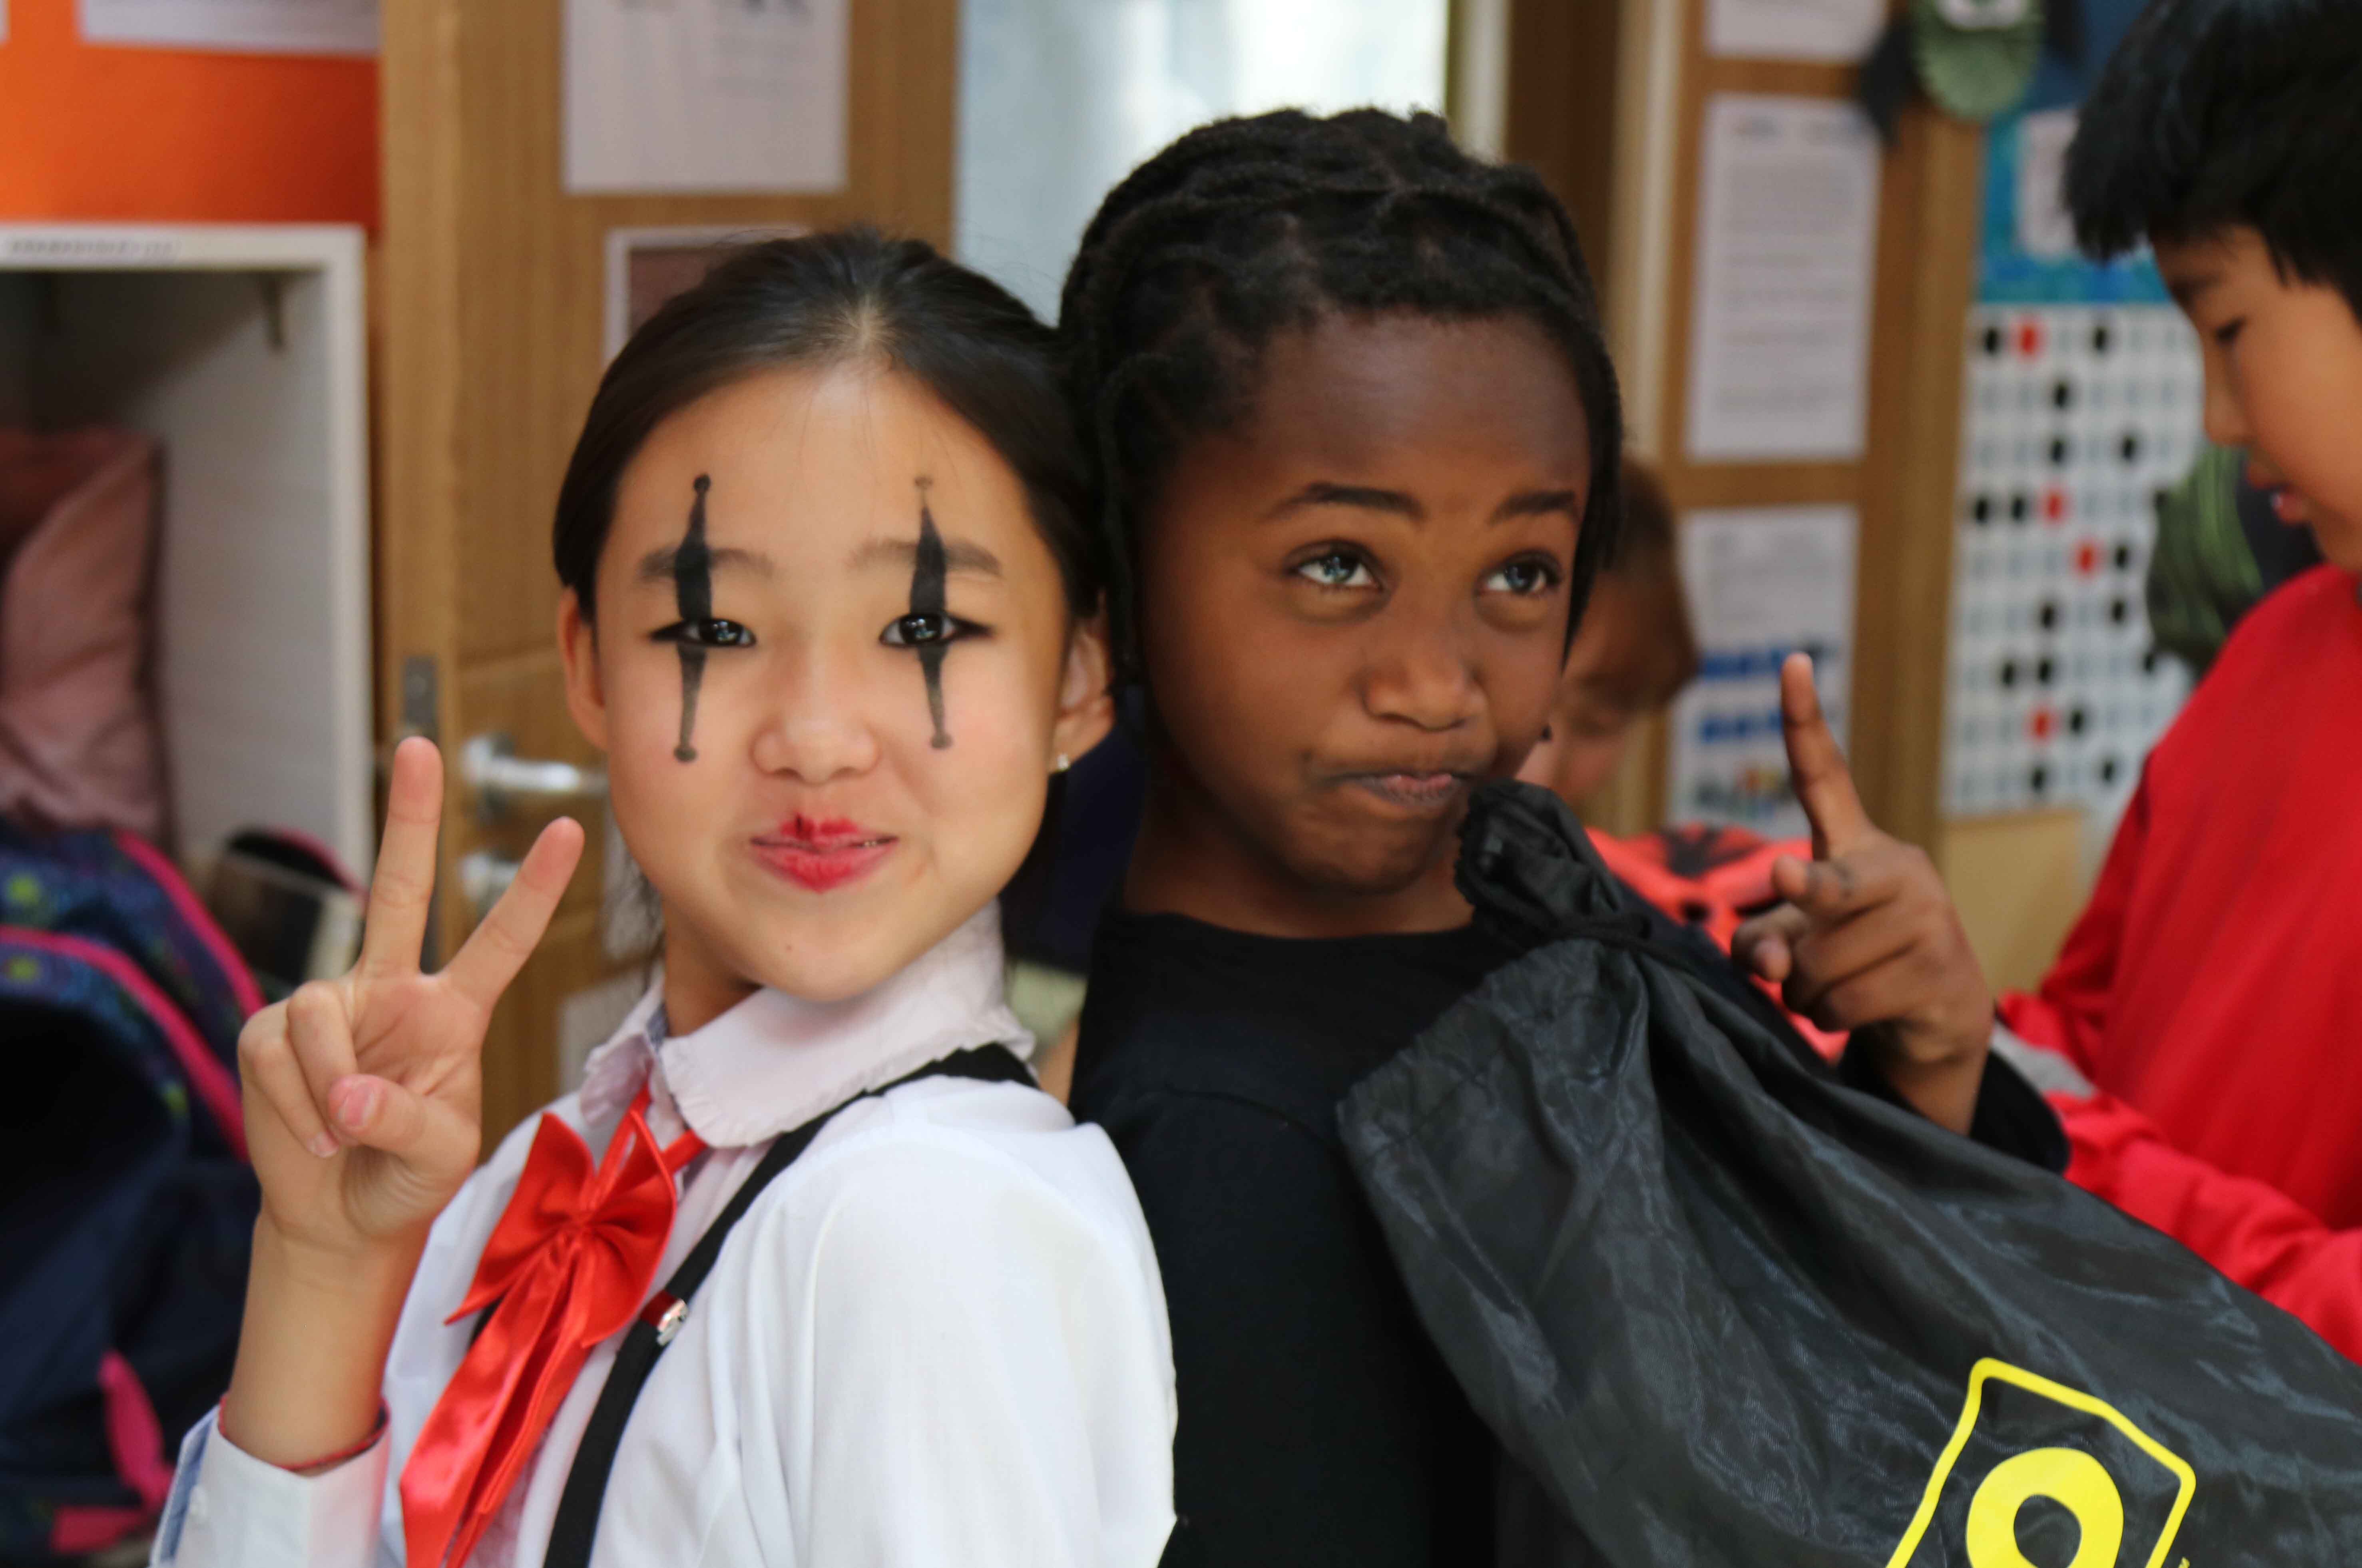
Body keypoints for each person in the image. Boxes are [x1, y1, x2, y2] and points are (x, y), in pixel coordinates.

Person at [1057, 108, 2061, 1567]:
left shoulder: (1519, 873)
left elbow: (1854, 1365)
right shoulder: (1227, 1158)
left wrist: (1929, 1063)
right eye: (1339, 565)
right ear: (1120, 573)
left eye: (1520, 571)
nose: (1437, 681)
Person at [149, 232, 1176, 1567]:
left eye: (924, 629)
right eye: (714, 631)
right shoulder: (544, 1173)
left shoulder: (917, 1225)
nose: (815, 734)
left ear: (1080, 676)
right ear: (587, 661)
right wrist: (324, 1265)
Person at [1992, 0, 2362, 1360]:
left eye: (2229, 328)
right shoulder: (2279, 650)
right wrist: (1913, 1023)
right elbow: (2097, 1032)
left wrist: (2067, 1171)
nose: (2218, 417)